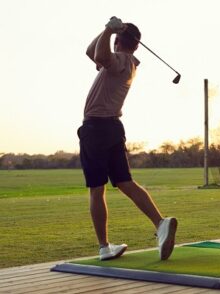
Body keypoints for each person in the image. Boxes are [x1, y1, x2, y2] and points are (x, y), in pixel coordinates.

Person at [78, 17, 177, 261]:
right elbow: (92, 52)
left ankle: (104, 247)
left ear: (120, 42)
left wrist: (109, 31)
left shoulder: (119, 60)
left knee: (96, 190)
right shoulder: (126, 62)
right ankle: (160, 223)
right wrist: (108, 31)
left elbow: (100, 55)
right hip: (112, 128)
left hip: (96, 129)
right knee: (125, 182)